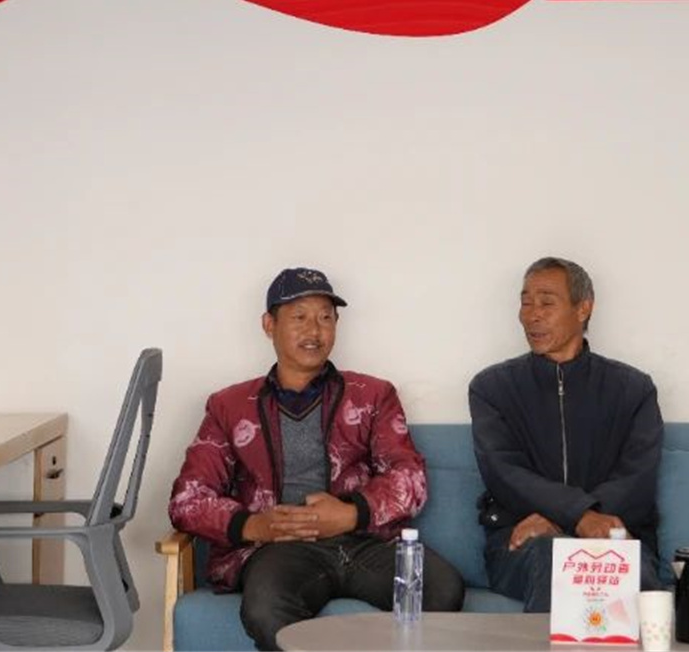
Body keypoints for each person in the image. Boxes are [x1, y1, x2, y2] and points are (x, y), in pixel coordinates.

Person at [168, 267, 466, 649]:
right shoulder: (229, 406)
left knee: (442, 588)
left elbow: (410, 477)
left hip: (364, 542)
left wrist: (351, 513)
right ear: (269, 325)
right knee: (265, 608)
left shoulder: (373, 395)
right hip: (279, 549)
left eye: (326, 317)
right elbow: (187, 501)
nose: (314, 330)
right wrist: (255, 526)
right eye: (299, 317)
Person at [468, 256, 665, 612]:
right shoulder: (492, 388)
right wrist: (579, 518)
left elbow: (637, 476)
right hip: (524, 541)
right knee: (553, 557)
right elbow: (504, 472)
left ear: (583, 308)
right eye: (526, 303)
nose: (532, 315)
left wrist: (578, 520)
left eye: (546, 303)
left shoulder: (633, 390)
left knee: (633, 573)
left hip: (615, 534)